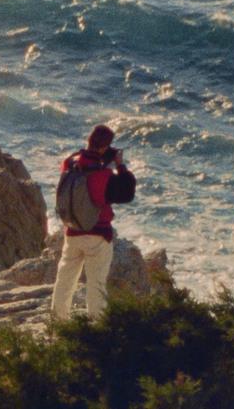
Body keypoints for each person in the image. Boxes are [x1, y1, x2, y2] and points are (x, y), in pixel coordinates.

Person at [51, 124, 136, 320]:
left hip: (72, 232)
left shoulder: (69, 164)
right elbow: (127, 192)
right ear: (105, 147)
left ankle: (58, 320)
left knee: (65, 278)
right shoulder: (103, 175)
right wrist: (119, 165)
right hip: (97, 234)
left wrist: (101, 158)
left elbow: (79, 162)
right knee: (96, 283)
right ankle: (97, 323)